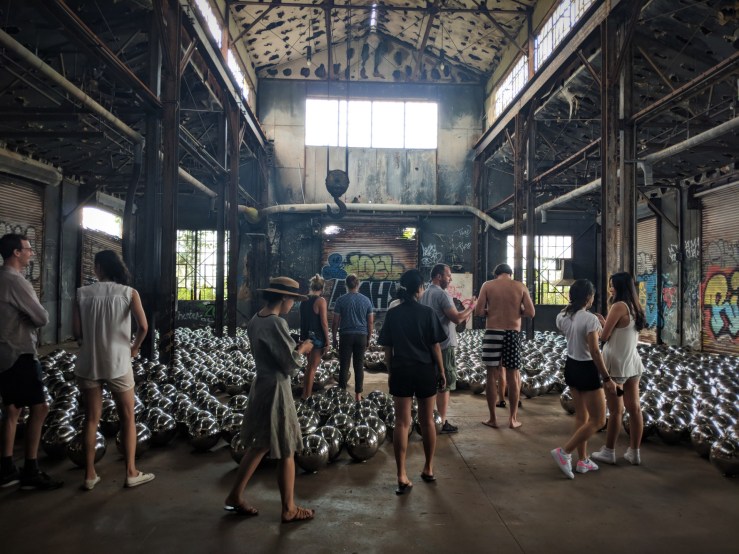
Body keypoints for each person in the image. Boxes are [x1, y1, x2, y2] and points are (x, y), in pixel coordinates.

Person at [224, 276, 315, 523]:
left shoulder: (256, 319)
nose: (293, 305)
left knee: (260, 445)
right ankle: (289, 508)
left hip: (262, 385)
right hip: (277, 388)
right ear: (284, 297)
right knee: (287, 448)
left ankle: (235, 495)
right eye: (292, 300)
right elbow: (289, 364)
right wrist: (303, 349)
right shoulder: (276, 323)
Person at [73, 250, 153, 490]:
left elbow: (76, 332)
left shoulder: (81, 294)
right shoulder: (129, 293)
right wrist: (134, 348)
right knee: (127, 417)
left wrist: (88, 343)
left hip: (89, 362)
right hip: (118, 362)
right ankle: (131, 472)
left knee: (91, 419)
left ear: (99, 267)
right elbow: (143, 327)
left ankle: (89, 475)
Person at [0, 233, 62, 490]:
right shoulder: (16, 281)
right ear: (16, 252)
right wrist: (29, 317)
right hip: (20, 352)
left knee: (12, 409)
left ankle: (6, 468)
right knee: (40, 408)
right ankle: (30, 469)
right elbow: (42, 317)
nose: (31, 253)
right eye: (27, 249)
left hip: (4, 353)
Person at [378, 269, 447, 495]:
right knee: (427, 421)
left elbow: (387, 349)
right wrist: (441, 371)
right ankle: (428, 468)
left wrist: (391, 371)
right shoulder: (427, 313)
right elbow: (435, 346)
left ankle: (401, 475)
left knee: (401, 423)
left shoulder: (393, 314)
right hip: (425, 370)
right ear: (419, 289)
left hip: (401, 370)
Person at [550, 279, 617, 479]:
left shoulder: (561, 316)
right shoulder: (590, 319)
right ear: (588, 297)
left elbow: (572, 333)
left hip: (571, 365)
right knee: (598, 420)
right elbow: (595, 351)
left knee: (582, 417)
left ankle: (583, 460)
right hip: (587, 368)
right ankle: (565, 452)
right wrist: (606, 377)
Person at [590, 272, 646, 466]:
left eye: (612, 285)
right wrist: (605, 323)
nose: (610, 289)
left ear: (620, 287)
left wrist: (599, 324)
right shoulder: (635, 306)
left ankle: (609, 451)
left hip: (616, 367)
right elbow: (621, 331)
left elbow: (604, 337)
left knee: (616, 410)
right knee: (634, 408)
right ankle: (634, 452)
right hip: (632, 364)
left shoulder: (618, 306)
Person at [475, 263, 535, 429]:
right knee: (513, 377)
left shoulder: (487, 285)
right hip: (511, 333)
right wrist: (517, 310)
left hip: (492, 332)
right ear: (510, 274)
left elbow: (478, 311)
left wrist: (491, 311)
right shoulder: (520, 286)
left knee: (491, 375)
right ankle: (512, 419)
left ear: (496, 274)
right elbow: (531, 312)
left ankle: (493, 419)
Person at [419, 264, 476, 434]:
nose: (450, 278)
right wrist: (471, 307)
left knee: (431, 384)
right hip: (444, 346)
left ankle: (429, 419)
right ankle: (442, 422)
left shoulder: (424, 294)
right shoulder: (442, 294)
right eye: (448, 275)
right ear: (438, 276)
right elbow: (457, 318)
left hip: (428, 346)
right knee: (445, 384)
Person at [331, 274, 374, 401]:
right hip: (361, 336)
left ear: (346, 285)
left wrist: (334, 338)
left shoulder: (340, 300)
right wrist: (368, 338)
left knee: (344, 365)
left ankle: (342, 395)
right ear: (358, 284)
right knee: (358, 366)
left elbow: (335, 322)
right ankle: (358, 396)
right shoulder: (366, 300)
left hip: (346, 336)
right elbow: (370, 322)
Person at [299, 274, 330, 400]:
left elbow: (302, 320)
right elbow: (324, 323)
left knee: (309, 367)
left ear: (311, 286)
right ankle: (307, 395)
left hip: (306, 337)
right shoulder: (321, 301)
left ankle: (304, 393)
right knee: (312, 368)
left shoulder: (304, 300)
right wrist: (328, 340)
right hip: (317, 339)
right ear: (322, 288)